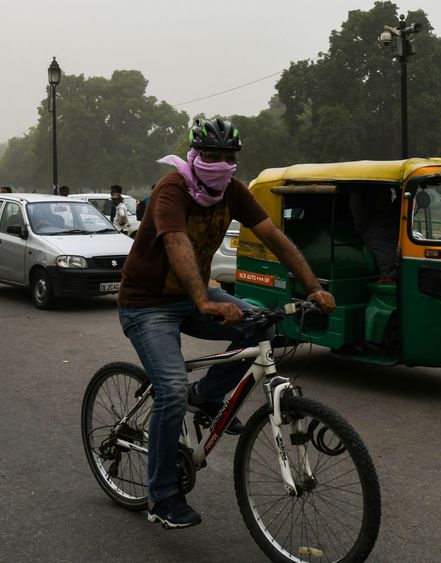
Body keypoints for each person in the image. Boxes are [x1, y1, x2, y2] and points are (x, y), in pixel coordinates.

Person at [117, 118, 335, 530]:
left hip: (194, 295)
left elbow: (273, 235)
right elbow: (177, 243)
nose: (221, 164)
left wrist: (312, 287)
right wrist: (203, 299)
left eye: (229, 158)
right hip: (147, 305)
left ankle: (208, 397)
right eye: (212, 156)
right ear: (194, 156)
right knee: (169, 390)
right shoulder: (172, 190)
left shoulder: (233, 192)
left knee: (261, 327)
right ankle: (161, 496)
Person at [349, 187, 399, 283]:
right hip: (389, 277)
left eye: (388, 200)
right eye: (382, 200)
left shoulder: (396, 220)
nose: (386, 203)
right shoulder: (366, 224)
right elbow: (356, 201)